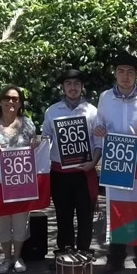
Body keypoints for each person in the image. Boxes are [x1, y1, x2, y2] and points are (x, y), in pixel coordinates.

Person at [93, 51, 137, 274]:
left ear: (136, 75)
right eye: (121, 72)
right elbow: (98, 122)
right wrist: (99, 129)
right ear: (115, 74)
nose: (125, 76)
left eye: (130, 72)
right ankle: (115, 260)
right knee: (116, 211)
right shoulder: (105, 97)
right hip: (115, 161)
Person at [42, 69, 102, 254]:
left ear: (82, 87)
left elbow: (99, 143)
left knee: (85, 215)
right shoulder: (52, 111)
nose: (73, 88)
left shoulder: (92, 111)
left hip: (84, 172)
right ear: (63, 87)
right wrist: (39, 142)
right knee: (63, 214)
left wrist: (93, 162)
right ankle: (65, 251)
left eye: (76, 84)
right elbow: (46, 137)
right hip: (59, 173)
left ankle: (84, 251)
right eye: (68, 84)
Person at [0, 85, 36, 274]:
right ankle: (6, 258)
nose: (11, 102)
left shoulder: (27, 124)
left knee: (21, 221)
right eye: (7, 98)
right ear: (0, 101)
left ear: (20, 103)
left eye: (15, 99)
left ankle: (18, 256)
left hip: (21, 181)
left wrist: (36, 143)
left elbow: (36, 146)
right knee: (1, 221)